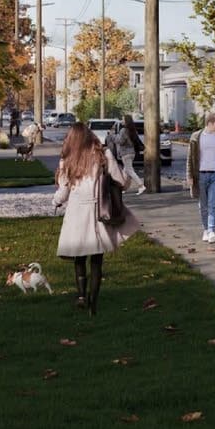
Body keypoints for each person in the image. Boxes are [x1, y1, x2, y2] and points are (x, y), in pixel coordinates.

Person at [51, 122, 140, 315]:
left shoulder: (67, 160)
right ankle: (93, 303)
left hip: (76, 213)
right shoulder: (103, 155)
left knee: (79, 257)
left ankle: (81, 295)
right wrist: (127, 179)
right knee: (97, 259)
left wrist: (55, 201)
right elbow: (121, 181)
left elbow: (63, 191)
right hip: (98, 211)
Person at [186, 113, 215, 244]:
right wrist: (189, 176)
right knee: (203, 205)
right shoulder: (196, 137)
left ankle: (212, 230)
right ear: (210, 123)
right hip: (200, 175)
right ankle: (206, 229)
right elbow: (190, 158)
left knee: (213, 204)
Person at [110, 114, 145, 195]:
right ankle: (123, 188)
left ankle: (141, 185)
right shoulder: (132, 130)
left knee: (130, 170)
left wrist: (112, 136)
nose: (122, 121)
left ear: (126, 121)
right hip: (132, 152)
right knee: (125, 172)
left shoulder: (123, 130)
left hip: (126, 153)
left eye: (123, 119)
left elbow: (120, 141)